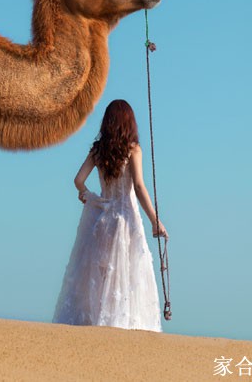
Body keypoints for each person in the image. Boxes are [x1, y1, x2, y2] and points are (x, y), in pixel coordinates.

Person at [53, 99, 168, 332]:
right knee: (127, 273)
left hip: (103, 220)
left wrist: (87, 196)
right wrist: (155, 221)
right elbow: (138, 186)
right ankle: (121, 323)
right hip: (126, 220)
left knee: (103, 274)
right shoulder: (133, 149)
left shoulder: (97, 150)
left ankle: (99, 320)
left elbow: (78, 180)